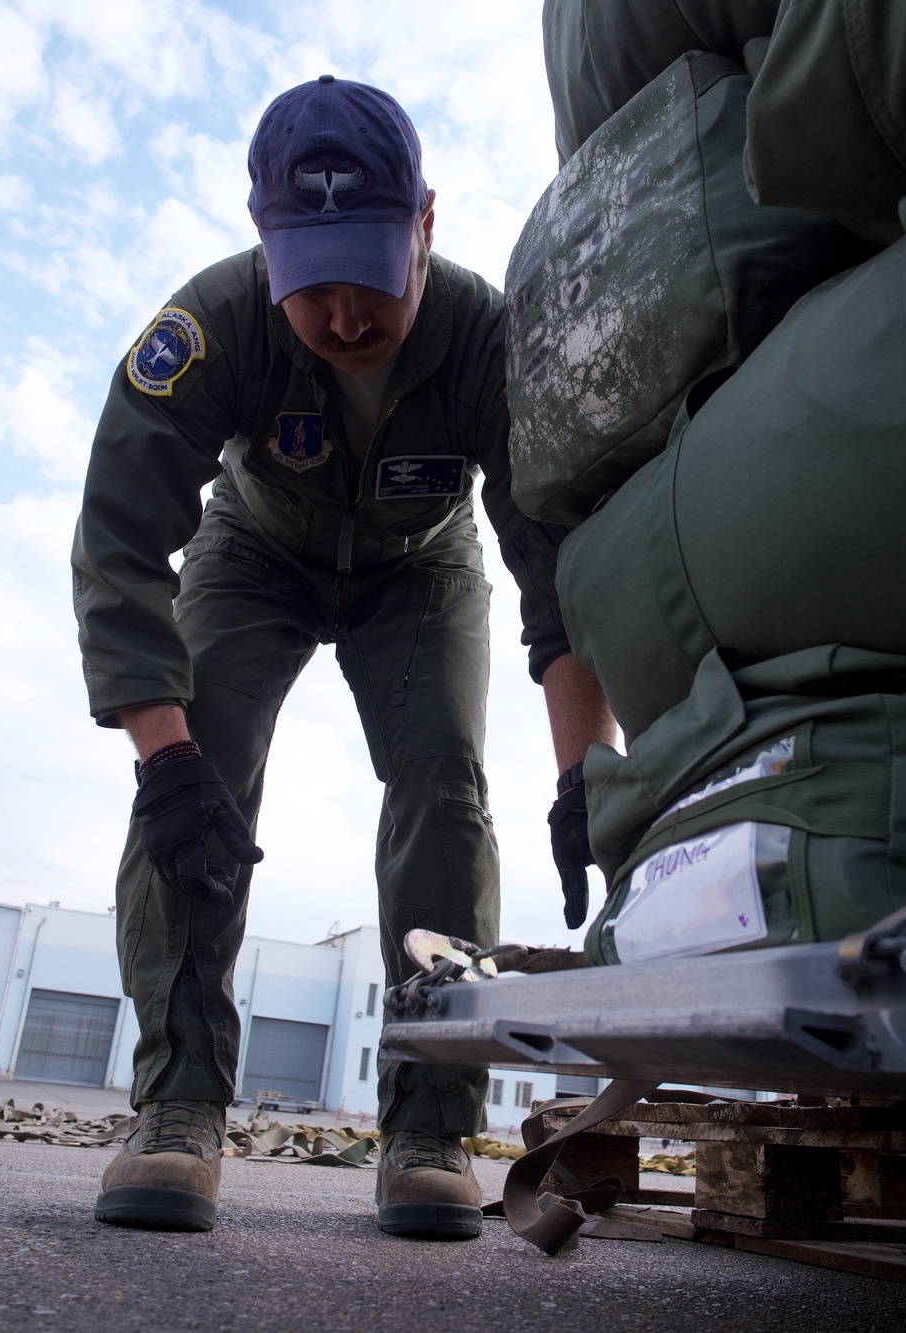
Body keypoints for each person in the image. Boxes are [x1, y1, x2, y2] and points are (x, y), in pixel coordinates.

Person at [72, 76, 615, 1242]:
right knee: (196, 774)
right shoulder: (211, 326)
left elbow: (557, 568)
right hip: (254, 548)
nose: (344, 315)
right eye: (308, 280)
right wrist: (162, 763)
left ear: (424, 225)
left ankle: (426, 1125)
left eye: (369, 271)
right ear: (264, 240)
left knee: (446, 784)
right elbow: (119, 540)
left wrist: (590, 778)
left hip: (422, 567)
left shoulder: (489, 341)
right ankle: (175, 1108)